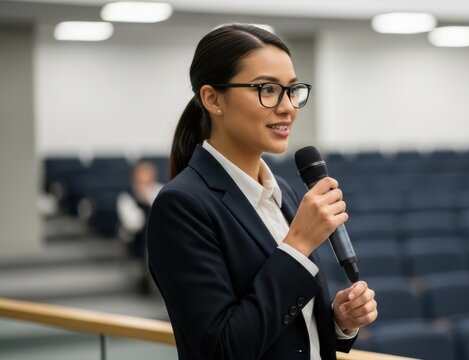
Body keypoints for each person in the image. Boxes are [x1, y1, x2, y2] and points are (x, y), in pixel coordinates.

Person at [147, 24, 377, 360]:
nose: (288, 107)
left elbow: (292, 337)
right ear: (213, 99)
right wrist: (297, 246)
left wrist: (338, 322)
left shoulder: (281, 190)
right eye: (267, 89)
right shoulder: (181, 206)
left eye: (292, 89)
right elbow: (224, 349)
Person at [117, 160, 163, 259]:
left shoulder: (162, 190)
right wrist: (144, 200)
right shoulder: (127, 197)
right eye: (143, 172)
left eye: (148, 171)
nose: (147, 175)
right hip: (140, 241)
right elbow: (134, 224)